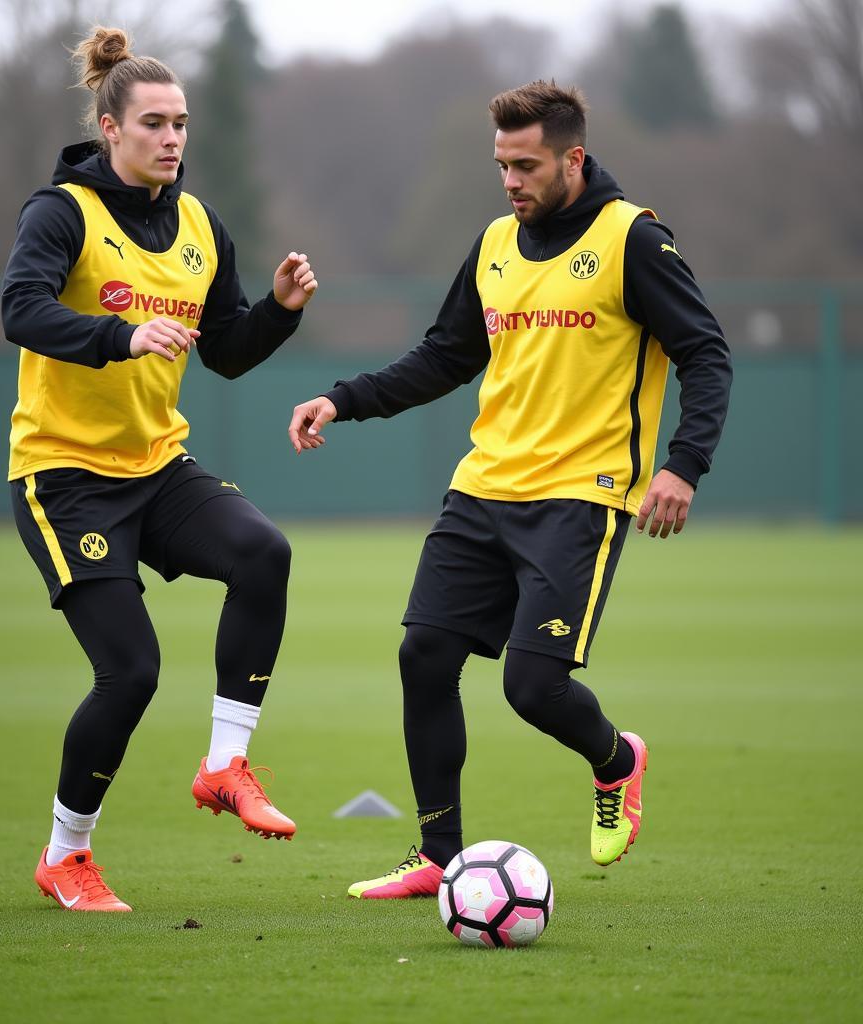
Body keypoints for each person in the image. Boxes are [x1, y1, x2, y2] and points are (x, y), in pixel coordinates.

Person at [289, 81, 731, 898]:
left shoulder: (632, 238)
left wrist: (683, 464)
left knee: (532, 686)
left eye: (526, 165)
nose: (512, 182)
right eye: (501, 166)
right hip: (484, 487)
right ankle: (436, 856)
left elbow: (707, 354)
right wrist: (343, 398)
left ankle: (617, 761)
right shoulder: (493, 242)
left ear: (574, 158)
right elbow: (444, 356)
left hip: (580, 494)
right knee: (423, 655)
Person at [3, 26, 318, 913]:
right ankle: (67, 855)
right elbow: (19, 310)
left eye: (181, 123)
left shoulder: (197, 224)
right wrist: (120, 336)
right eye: (153, 123)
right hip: (64, 477)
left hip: (157, 466)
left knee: (265, 553)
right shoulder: (62, 211)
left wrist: (282, 313)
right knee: (131, 673)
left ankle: (225, 765)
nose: (173, 138)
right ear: (110, 128)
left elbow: (225, 351)